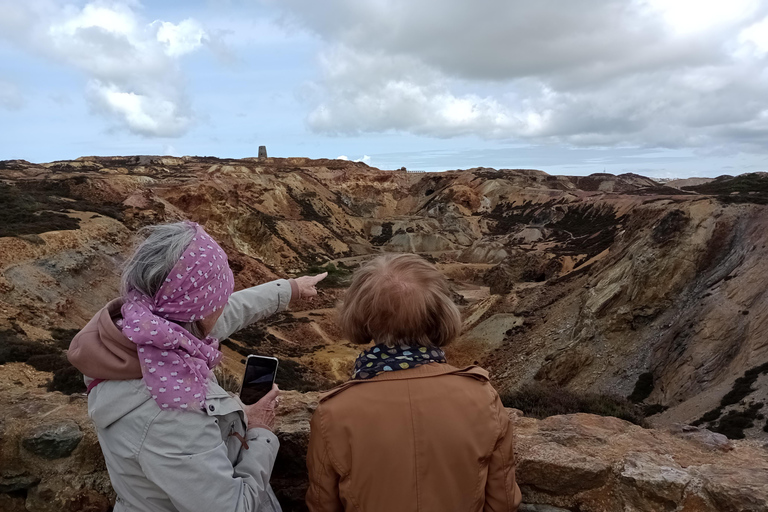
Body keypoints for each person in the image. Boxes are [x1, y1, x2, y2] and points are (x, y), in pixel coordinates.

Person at [67, 221, 326, 512]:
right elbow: (234, 507)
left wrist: (288, 289)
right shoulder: (170, 411)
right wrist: (258, 430)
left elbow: (226, 315)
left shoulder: (146, 330)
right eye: (218, 297)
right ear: (197, 310)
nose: (224, 304)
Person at [305, 253, 522, 512]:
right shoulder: (483, 398)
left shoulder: (332, 414)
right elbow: (503, 502)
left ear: (361, 317)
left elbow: (322, 506)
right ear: (440, 314)